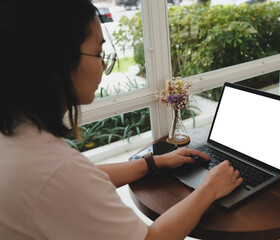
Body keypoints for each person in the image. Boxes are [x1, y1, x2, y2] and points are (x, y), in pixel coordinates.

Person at [0, 0, 243, 239]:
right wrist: (209, 189)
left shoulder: (17, 138)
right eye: (98, 53)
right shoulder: (56, 170)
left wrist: (154, 163)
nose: (104, 64)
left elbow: (85, 178)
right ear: (57, 62)